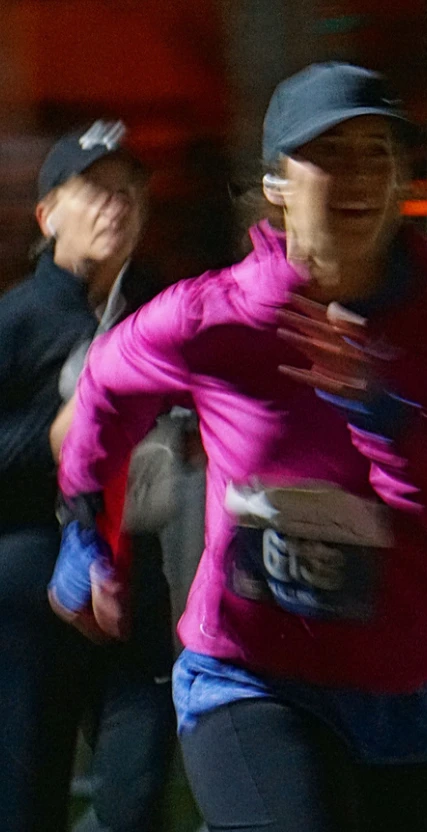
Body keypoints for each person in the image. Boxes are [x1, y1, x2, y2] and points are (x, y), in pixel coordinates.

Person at [56, 62, 427, 832]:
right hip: (251, 678)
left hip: (409, 690)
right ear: (277, 182)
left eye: (376, 153)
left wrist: (381, 413)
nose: (357, 176)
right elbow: (104, 385)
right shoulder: (217, 316)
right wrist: (88, 528)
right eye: (329, 154)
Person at [0, 121, 175, 832]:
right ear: (48, 216)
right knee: (26, 803)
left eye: (130, 190)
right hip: (29, 583)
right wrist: (52, 437)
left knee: (140, 795)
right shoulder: (16, 320)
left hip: (135, 576)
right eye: (95, 189)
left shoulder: (159, 317)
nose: (117, 203)